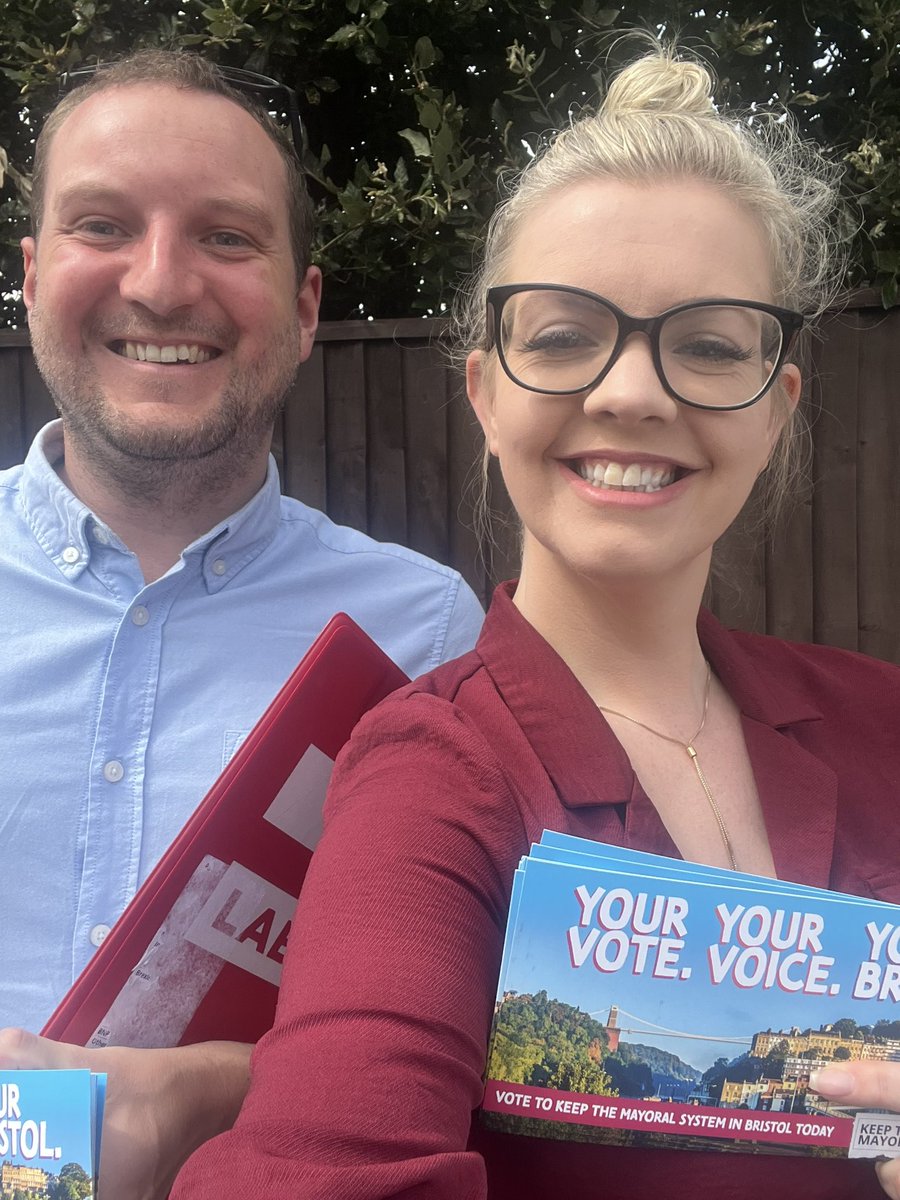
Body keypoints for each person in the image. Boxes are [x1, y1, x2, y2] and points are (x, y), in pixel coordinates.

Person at [169, 45, 900, 1200]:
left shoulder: (882, 720)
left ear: (778, 408)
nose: (632, 391)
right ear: (486, 391)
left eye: (708, 345)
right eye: (564, 335)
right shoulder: (437, 774)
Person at [0, 49, 482, 1199]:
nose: (161, 284)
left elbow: (461, 1044)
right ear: (29, 277)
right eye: (103, 225)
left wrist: (203, 1091)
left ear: (307, 309)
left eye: (226, 236)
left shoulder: (424, 638)